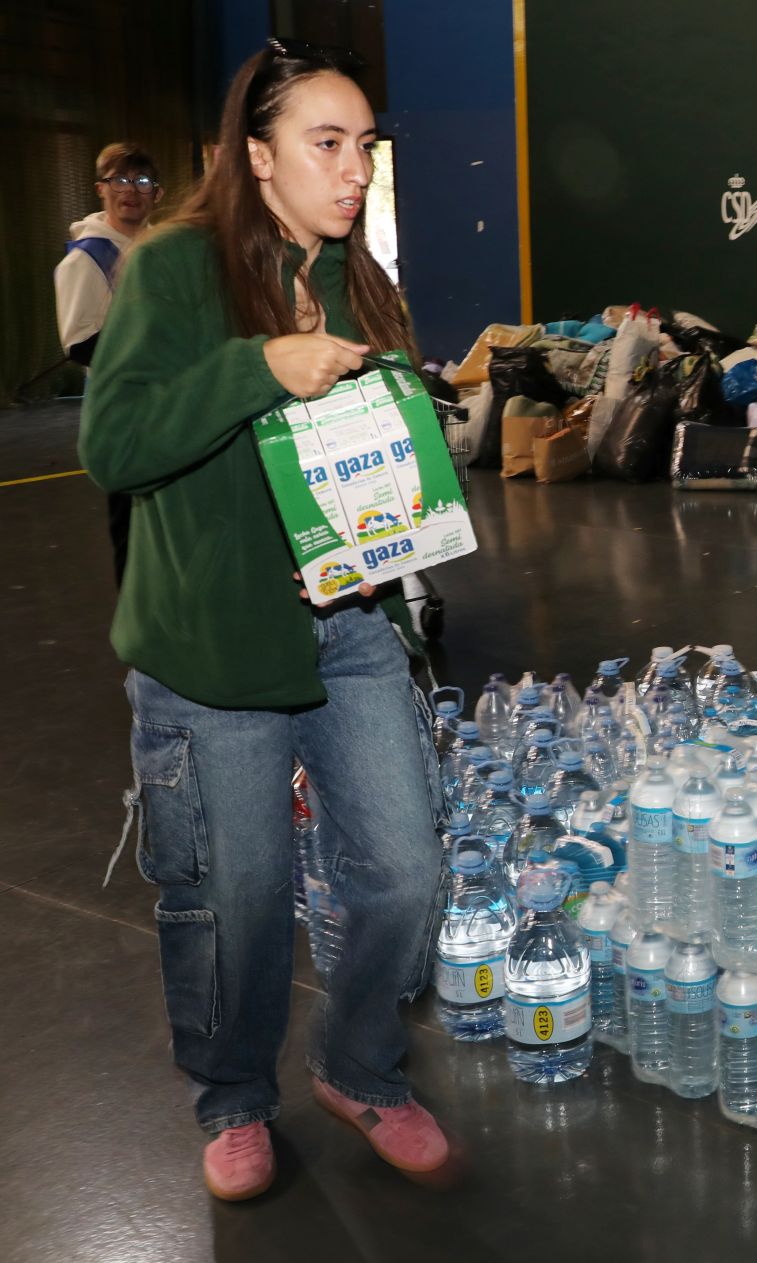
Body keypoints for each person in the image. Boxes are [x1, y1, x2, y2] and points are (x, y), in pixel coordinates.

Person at [78, 42, 448, 1202]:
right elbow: (115, 445)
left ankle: (358, 1066)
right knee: (233, 907)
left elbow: (375, 452)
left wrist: (399, 529)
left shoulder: (355, 272)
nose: (353, 172)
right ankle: (234, 1098)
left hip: (347, 628)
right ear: (256, 154)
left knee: (403, 874)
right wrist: (258, 368)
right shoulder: (177, 268)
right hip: (209, 653)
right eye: (325, 144)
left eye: (364, 146)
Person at [56, 142, 165, 586]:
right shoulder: (88, 257)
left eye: (141, 181)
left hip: (165, 406)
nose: (130, 191)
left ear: (157, 192)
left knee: (165, 530)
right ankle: (140, 647)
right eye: (120, 180)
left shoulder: (159, 246)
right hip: (124, 415)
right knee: (133, 532)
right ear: (101, 189)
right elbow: (80, 344)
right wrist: (155, 356)